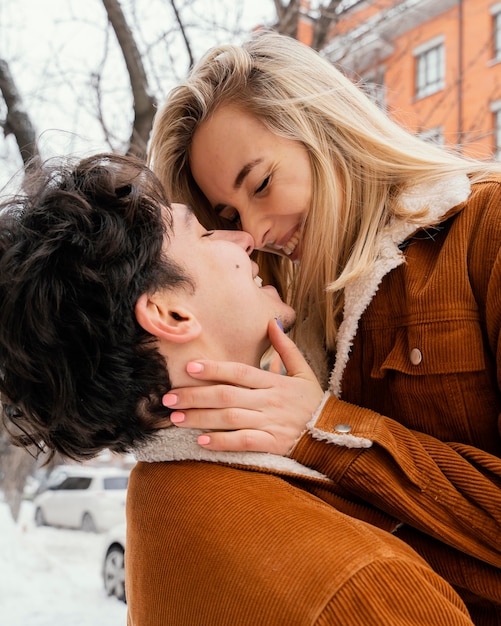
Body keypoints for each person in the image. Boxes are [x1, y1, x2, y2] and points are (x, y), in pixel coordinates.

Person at [0, 154, 474, 625]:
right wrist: (329, 427)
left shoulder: (157, 498)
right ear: (170, 313)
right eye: (205, 234)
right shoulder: (360, 584)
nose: (246, 238)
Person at [147, 30, 501, 624]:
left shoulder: (485, 226)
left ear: (324, 126)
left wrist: (325, 428)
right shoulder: (291, 315)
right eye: (228, 216)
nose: (255, 231)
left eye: (260, 183)